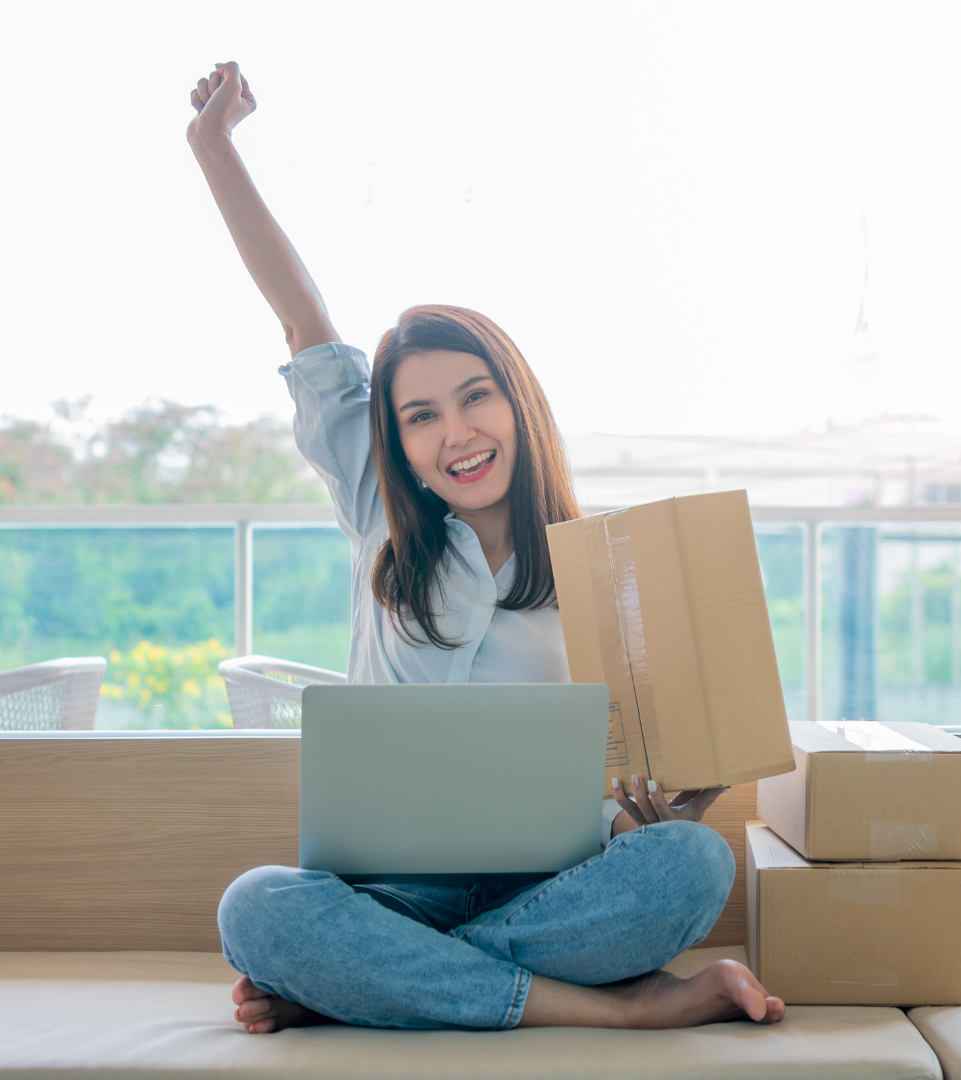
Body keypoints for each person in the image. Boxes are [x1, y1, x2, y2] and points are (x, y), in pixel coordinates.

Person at [188, 61, 786, 1034]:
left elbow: (649, 793)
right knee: (258, 906)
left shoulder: (604, 577)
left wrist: (667, 805)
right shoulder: (376, 510)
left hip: (550, 892)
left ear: (517, 403)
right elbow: (304, 321)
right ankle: (617, 1011)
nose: (455, 433)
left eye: (475, 397)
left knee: (696, 861)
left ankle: (384, 989)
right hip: (392, 893)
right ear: (399, 447)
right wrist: (214, 148)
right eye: (421, 416)